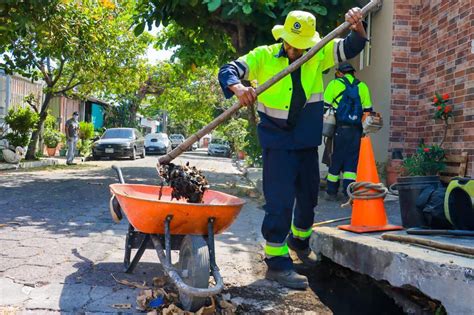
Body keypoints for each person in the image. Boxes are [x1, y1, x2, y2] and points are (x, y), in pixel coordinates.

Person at [218, 9, 368, 289]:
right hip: (277, 142)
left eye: (301, 45)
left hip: (307, 141)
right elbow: (228, 70)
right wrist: (237, 87)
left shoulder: (318, 53)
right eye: (291, 43)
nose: (296, 49)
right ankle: (276, 263)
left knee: (309, 197)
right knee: (280, 201)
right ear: (283, 38)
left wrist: (357, 27)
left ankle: (299, 241)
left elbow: (352, 45)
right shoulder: (263, 56)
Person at [324, 62, 373, 201]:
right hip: (356, 131)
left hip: (339, 129)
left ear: (340, 72)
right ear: (352, 72)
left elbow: (325, 107)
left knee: (336, 158)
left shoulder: (334, 84)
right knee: (352, 161)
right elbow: (368, 111)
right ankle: (348, 193)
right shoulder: (362, 86)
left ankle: (331, 192)